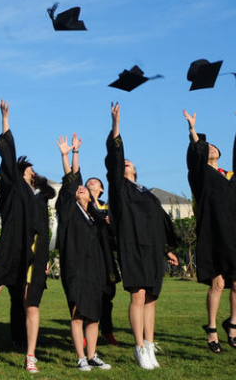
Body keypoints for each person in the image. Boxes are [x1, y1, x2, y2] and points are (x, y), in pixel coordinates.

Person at [106, 103, 179, 369]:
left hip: (151, 248)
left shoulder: (148, 195)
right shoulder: (119, 189)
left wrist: (167, 249)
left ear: (136, 169)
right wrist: (116, 125)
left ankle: (150, 345)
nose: (126, 162)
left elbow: (161, 222)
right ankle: (138, 347)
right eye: (123, 161)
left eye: (129, 162)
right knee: (137, 295)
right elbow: (115, 159)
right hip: (131, 246)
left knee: (151, 297)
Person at [0, 100, 53, 373]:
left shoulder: (40, 199)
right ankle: (6, 278)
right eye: (29, 171)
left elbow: (45, 232)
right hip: (11, 248)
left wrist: (45, 257)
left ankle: (30, 355)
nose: (33, 174)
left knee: (30, 305)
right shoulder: (13, 187)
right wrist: (5, 118)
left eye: (34, 173)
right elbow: (8, 157)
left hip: (34, 254)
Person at [55, 134, 112, 371]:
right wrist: (69, 155)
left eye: (84, 188)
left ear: (92, 196)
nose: (81, 188)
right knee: (78, 314)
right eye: (79, 188)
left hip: (95, 271)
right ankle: (80, 357)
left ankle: (92, 355)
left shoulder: (97, 217)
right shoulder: (68, 212)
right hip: (76, 270)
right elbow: (71, 181)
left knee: (94, 316)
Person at [183, 109, 236, 353]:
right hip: (213, 233)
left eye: (214, 146)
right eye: (207, 147)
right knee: (218, 282)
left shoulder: (229, 176)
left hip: (233, 233)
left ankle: (233, 325)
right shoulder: (200, 175)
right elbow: (196, 152)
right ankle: (212, 330)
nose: (211, 148)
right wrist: (193, 130)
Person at [85, 177, 120, 347]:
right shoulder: (81, 206)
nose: (90, 183)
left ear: (101, 189)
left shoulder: (108, 208)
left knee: (107, 297)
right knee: (87, 297)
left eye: (94, 182)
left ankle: (107, 332)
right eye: (88, 181)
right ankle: (86, 334)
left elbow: (117, 234)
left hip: (106, 259)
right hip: (88, 258)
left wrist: (112, 223)